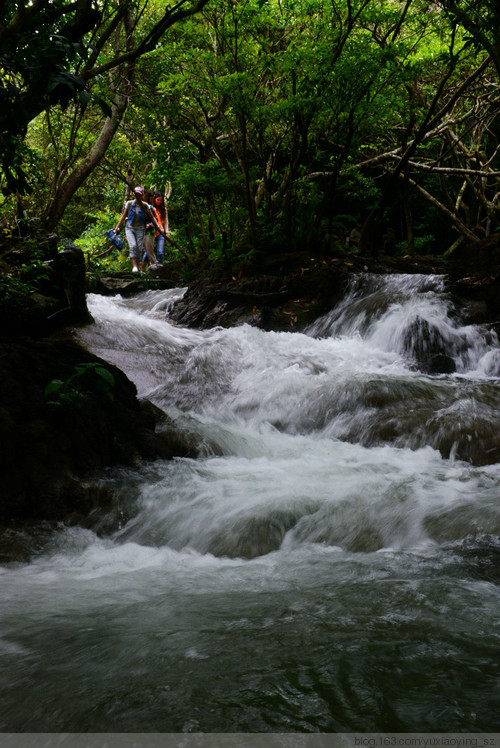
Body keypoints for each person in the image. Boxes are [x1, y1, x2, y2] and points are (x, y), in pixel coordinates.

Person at [114, 187, 164, 273]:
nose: (137, 196)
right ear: (133, 194)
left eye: (139, 194)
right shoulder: (129, 204)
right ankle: (134, 267)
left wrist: (158, 228)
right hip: (130, 228)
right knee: (133, 246)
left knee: (140, 248)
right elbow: (123, 216)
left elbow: (152, 217)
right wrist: (117, 227)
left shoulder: (145, 205)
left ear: (141, 195)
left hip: (140, 229)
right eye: (136, 194)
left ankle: (139, 268)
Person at [143, 191, 169, 266]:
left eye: (161, 200)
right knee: (148, 252)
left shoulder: (163, 209)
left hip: (160, 233)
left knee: (160, 252)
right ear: (154, 199)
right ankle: (141, 269)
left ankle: (160, 268)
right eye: (158, 200)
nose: (159, 202)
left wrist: (166, 233)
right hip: (152, 232)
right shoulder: (149, 208)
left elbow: (166, 221)